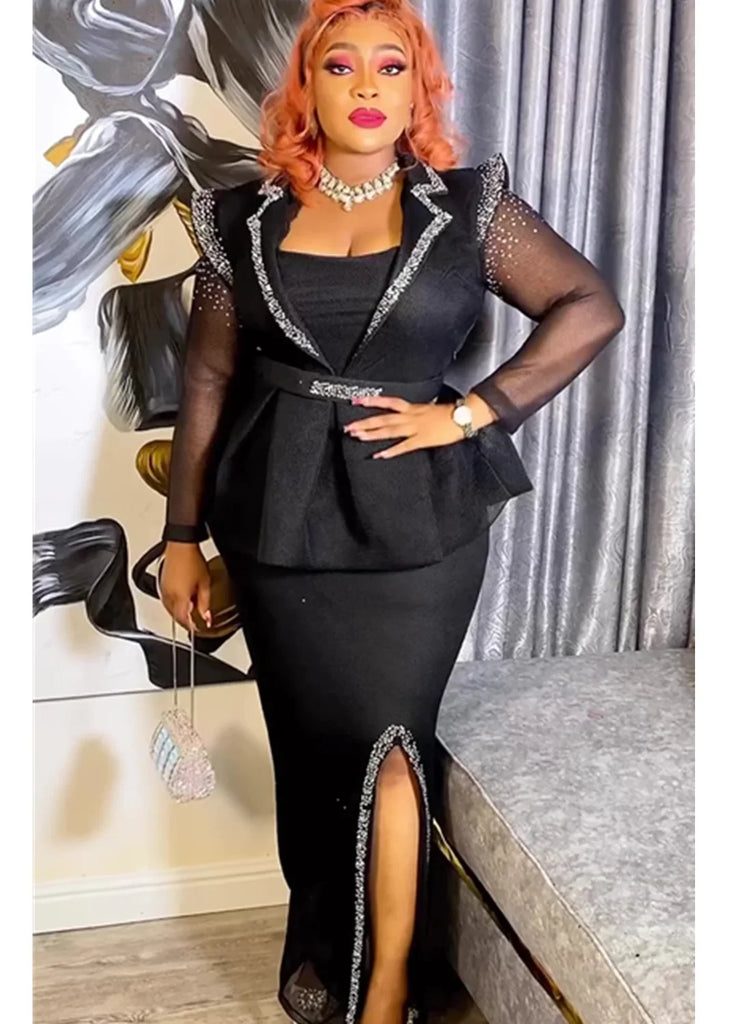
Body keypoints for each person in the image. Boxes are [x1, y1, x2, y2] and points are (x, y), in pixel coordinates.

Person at [158, 1, 625, 1021]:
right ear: (306, 87)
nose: (367, 86)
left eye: (390, 66)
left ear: (420, 89)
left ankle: (387, 992)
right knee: (314, 751)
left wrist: (470, 412)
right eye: (341, 66)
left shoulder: (470, 210)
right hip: (276, 524)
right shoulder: (238, 221)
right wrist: (181, 536)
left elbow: (590, 306)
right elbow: (206, 381)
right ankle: (333, 949)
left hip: (420, 530)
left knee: (391, 740)